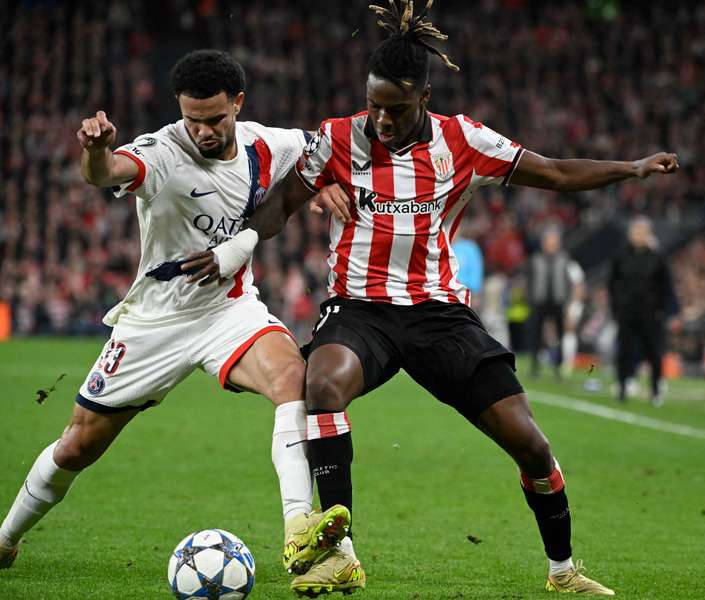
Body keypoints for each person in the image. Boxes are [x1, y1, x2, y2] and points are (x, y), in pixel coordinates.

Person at [198, 2, 677, 595]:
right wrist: (308, 191)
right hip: (360, 309)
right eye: (373, 104)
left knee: (531, 444)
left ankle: (563, 571)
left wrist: (631, 168)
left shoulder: (463, 140)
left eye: (395, 109)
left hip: (439, 315)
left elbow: (552, 173)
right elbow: (272, 217)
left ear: (423, 97)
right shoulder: (337, 139)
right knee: (320, 383)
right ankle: (339, 551)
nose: (381, 119)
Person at [0, 50, 351, 587]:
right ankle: (1, 544)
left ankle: (298, 525)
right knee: (77, 444)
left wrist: (323, 186)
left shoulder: (270, 144)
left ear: (239, 105)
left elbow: (325, 151)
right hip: (153, 324)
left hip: (228, 310)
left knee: (293, 380)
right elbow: (106, 172)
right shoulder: (161, 150)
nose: (202, 130)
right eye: (192, 119)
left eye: (215, 119)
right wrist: (95, 151)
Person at [608, 217, 680, 406]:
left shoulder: (658, 258)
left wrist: (666, 311)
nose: (638, 235)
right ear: (630, 234)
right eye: (635, 231)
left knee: (654, 352)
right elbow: (612, 285)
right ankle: (622, 386)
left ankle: (656, 390)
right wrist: (616, 307)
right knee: (624, 351)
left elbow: (666, 286)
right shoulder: (620, 256)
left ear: (649, 234)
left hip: (651, 313)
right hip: (626, 312)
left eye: (642, 231)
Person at [527, 226, 586, 377]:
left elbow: (571, 282)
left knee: (559, 335)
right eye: (549, 241)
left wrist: (568, 302)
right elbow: (529, 281)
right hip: (539, 301)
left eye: (554, 242)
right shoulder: (535, 259)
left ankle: (558, 366)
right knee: (536, 335)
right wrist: (530, 300)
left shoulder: (565, 259)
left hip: (558, 302)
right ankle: (535, 365)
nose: (551, 245)